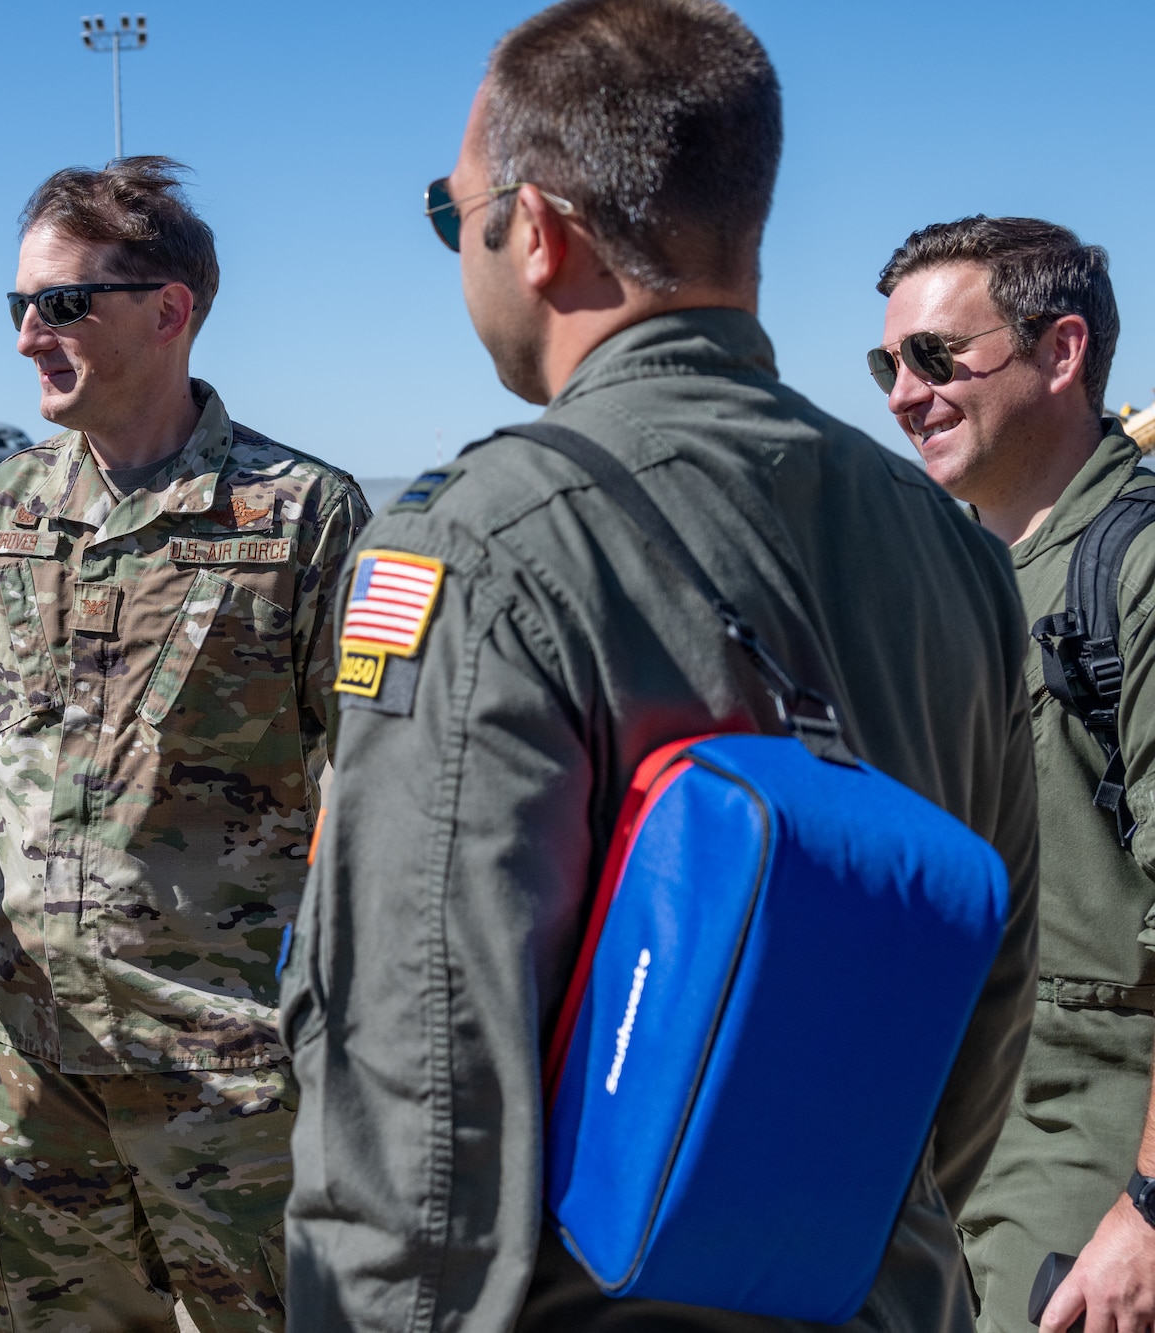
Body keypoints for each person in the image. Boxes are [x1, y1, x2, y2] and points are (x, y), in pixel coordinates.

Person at [280, 2, 1042, 1330]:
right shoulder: (954, 549)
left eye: (451, 214)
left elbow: (421, 1089)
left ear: (541, 230)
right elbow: (985, 998)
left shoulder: (479, 546)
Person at [0, 156, 369, 1332]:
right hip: (34, 1056)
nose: (25, 336)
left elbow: (379, 775)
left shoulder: (302, 517)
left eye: (61, 303)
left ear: (170, 309)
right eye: (17, 305)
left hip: (231, 1072)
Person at [872, 218, 1155, 1333]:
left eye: (935, 357)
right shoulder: (955, 580)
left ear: (1061, 350)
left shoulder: (1130, 566)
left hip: (1096, 1149)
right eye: (886, 365)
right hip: (960, 1140)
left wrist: (1146, 1208)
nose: (903, 394)